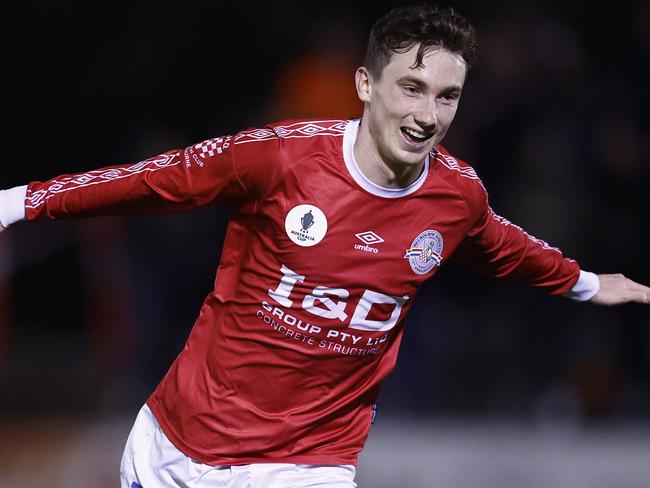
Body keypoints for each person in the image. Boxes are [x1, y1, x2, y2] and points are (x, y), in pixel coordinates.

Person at [1, 5, 648, 488]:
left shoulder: (456, 197)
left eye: (447, 95)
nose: (429, 114)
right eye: (411, 88)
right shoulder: (279, 157)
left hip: (310, 464)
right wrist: (15, 203)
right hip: (179, 447)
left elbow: (505, 246)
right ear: (366, 86)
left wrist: (588, 283)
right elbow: (149, 181)